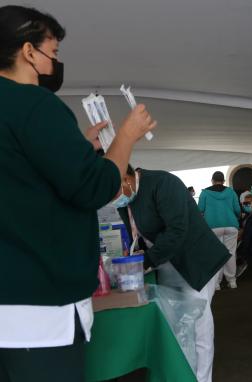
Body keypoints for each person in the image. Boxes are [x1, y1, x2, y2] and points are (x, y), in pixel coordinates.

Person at [0, 6, 157, 381]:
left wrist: (77, 150)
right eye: (52, 53)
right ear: (28, 52)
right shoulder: (35, 104)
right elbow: (94, 187)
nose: (55, 62)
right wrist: (126, 137)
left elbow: (25, 179)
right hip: (39, 310)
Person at [116, 166, 230, 382]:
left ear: (125, 178)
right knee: (179, 327)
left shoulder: (162, 183)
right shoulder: (127, 197)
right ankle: (184, 375)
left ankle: (202, 379)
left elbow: (177, 230)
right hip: (166, 264)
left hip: (194, 262)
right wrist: (137, 252)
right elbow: (140, 232)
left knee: (198, 327)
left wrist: (144, 261)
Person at [198, 171, 241, 290]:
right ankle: (232, 281)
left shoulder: (205, 193)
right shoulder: (231, 192)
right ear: (223, 181)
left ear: (212, 180)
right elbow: (237, 209)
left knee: (215, 254)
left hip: (212, 227)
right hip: (231, 225)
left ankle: (216, 283)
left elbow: (200, 209)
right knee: (230, 253)